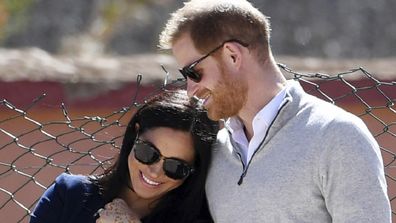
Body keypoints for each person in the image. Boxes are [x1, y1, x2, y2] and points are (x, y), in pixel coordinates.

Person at [158, 0, 392, 222]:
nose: (190, 90)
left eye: (193, 72)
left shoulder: (338, 136)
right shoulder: (216, 151)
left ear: (232, 55)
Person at [30, 89, 219, 223]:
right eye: (148, 153)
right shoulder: (69, 195)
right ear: (135, 134)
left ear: (194, 169)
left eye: (176, 167)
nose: (155, 172)